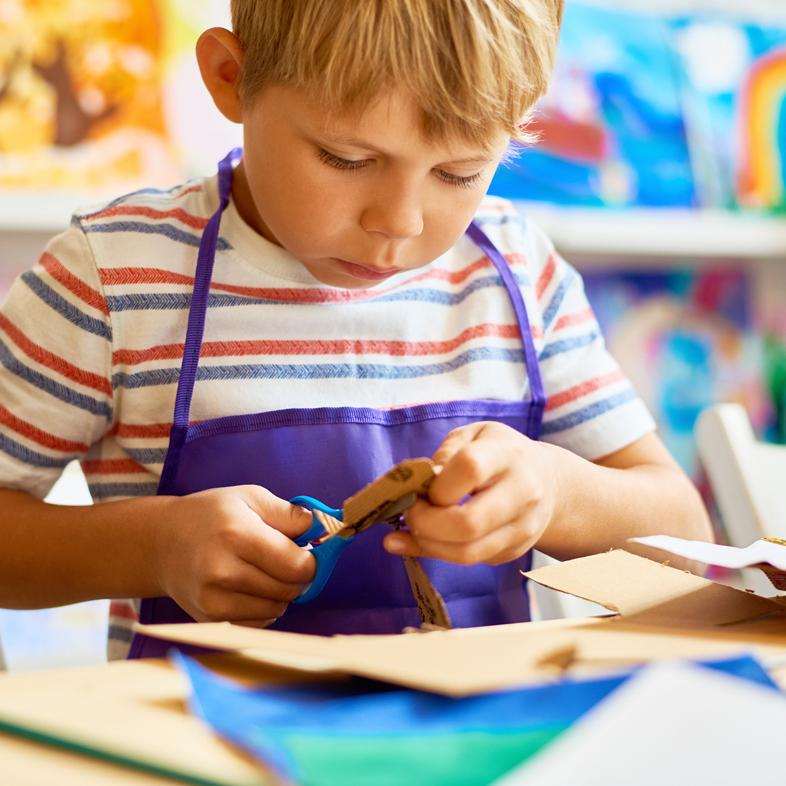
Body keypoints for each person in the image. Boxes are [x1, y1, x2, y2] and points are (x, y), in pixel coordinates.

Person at [0, 0, 712, 660]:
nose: (398, 222)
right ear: (231, 79)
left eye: (461, 172)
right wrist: (151, 547)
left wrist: (558, 495)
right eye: (348, 159)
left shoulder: (519, 275)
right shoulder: (117, 273)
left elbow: (683, 531)